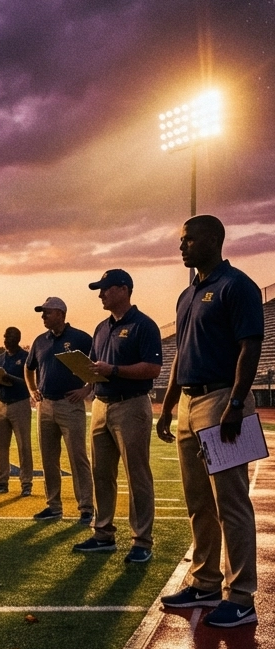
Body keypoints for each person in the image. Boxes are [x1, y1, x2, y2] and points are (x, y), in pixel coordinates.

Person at [157, 215, 264, 627]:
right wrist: (167, 407)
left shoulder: (237, 286)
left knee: (231, 503)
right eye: (181, 240)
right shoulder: (188, 295)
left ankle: (241, 596)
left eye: (188, 240)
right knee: (198, 500)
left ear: (214, 240)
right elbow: (181, 354)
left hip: (222, 399)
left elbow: (249, 347)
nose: (181, 247)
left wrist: (236, 403)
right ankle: (204, 580)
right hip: (188, 401)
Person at [73, 270, 162, 563]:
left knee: (137, 473)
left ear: (124, 289)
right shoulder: (101, 328)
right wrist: (87, 379)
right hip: (101, 403)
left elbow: (152, 369)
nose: (100, 294)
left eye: (105, 289)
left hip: (131, 404)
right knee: (101, 472)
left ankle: (142, 540)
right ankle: (103, 534)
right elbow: (95, 365)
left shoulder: (144, 325)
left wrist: (113, 370)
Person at [24, 297, 94, 523]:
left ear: (61, 314)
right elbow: (28, 367)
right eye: (42, 313)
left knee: (77, 457)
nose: (43, 317)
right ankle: (53, 505)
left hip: (70, 404)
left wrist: (86, 390)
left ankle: (86, 507)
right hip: (45, 405)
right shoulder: (39, 341)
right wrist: (32, 389)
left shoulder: (81, 338)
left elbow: (97, 365)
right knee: (48, 458)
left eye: (47, 312)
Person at [0, 327, 33, 496]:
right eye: (6, 336)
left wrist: (11, 379)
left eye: (11, 337)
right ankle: (2, 481)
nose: (7, 339)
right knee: (1, 447)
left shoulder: (26, 358)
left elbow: (30, 382)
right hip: (1, 403)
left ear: (18, 339)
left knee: (23, 446)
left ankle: (26, 483)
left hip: (19, 403)